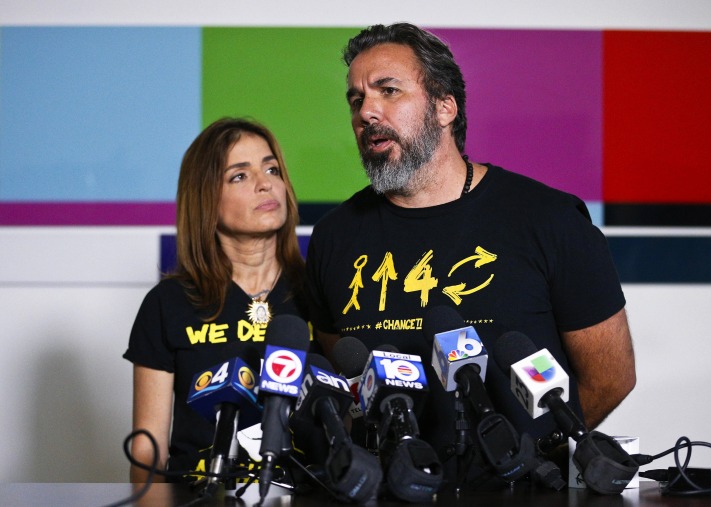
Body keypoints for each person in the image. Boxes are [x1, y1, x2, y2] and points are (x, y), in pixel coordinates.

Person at [305, 23, 636, 483]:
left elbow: (610, 378)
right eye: (357, 99)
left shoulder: (549, 220)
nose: (367, 112)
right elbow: (344, 376)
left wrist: (532, 458)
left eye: (388, 90)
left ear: (445, 107)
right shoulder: (333, 237)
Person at [124, 117, 309, 483]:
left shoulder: (319, 291)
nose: (265, 183)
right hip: (199, 494)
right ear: (206, 198)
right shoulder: (167, 303)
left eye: (272, 168)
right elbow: (148, 452)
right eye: (239, 175)